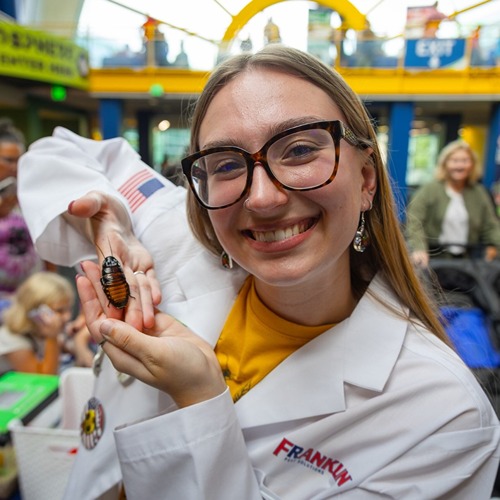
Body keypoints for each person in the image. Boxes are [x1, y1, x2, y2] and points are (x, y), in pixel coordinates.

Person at [17, 45, 500, 499]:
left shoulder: (443, 414)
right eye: (226, 163)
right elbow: (58, 153)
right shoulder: (172, 237)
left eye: (300, 150)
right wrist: (110, 220)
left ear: (367, 179)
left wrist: (199, 398)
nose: (263, 198)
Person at [406, 139, 500, 268]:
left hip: (468, 259)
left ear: (472, 165)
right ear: (445, 164)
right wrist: (419, 248)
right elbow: (414, 221)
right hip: (433, 259)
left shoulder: (479, 193)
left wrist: (494, 245)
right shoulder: (429, 190)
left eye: (465, 161)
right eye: (455, 161)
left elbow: (491, 225)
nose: (459, 166)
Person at [0, 119, 43, 304]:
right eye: (9, 160)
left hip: (29, 297)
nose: (15, 166)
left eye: (20, 160)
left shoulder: (28, 194)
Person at [0, 271, 75, 374]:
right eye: (59, 311)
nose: (68, 316)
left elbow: (68, 348)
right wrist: (52, 336)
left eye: (68, 309)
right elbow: (44, 377)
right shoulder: (11, 339)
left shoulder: (39, 331)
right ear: (35, 312)